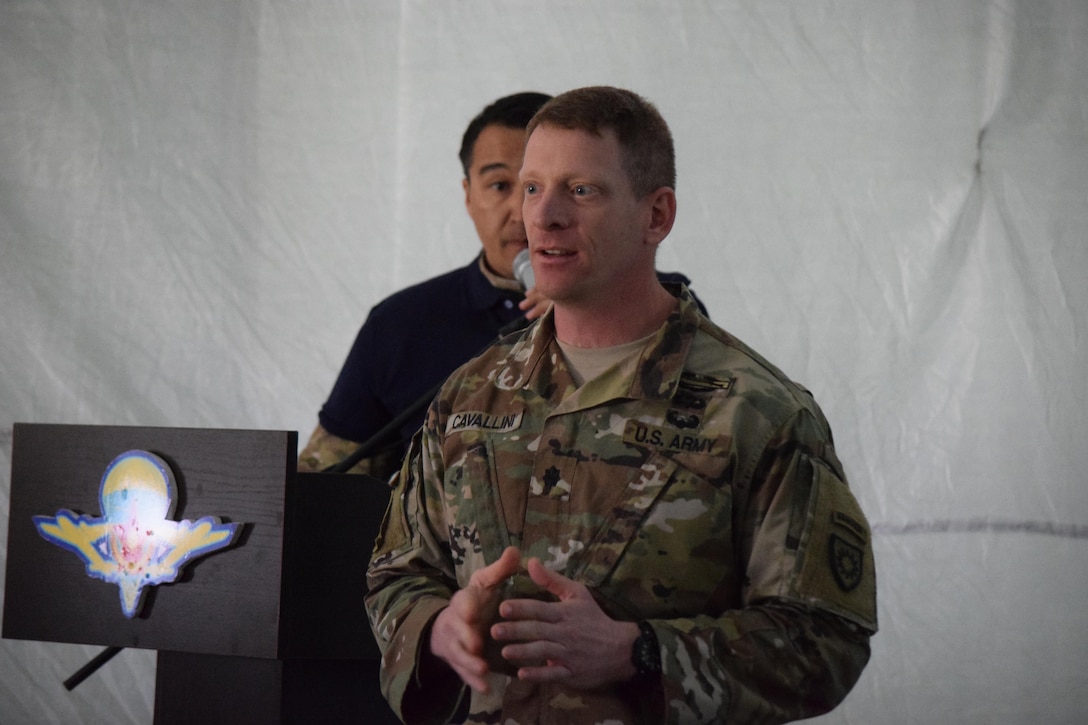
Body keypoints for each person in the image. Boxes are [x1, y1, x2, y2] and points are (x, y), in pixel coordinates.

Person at [365, 86, 877, 724]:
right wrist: (439, 629)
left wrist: (637, 654)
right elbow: (396, 574)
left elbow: (826, 640)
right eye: (531, 188)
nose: (544, 216)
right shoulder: (469, 395)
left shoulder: (758, 414)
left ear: (656, 216)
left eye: (582, 190)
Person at [298, 91, 703, 478]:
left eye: (576, 188)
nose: (533, 212)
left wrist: (591, 311)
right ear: (468, 196)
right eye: (505, 186)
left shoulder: (663, 305)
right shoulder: (402, 323)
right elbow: (326, 478)